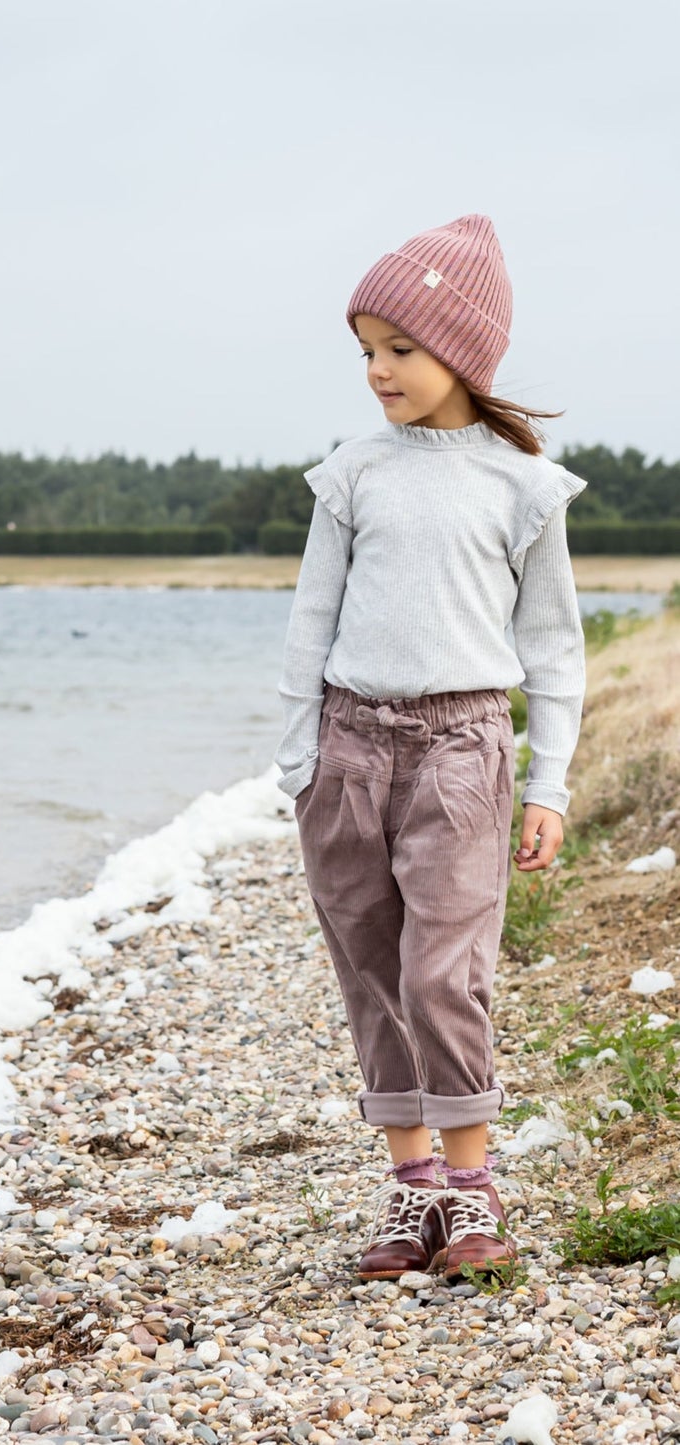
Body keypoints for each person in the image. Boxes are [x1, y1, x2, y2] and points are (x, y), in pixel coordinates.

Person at [273, 213, 587, 1283]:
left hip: (461, 749)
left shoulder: (519, 486)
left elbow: (552, 648)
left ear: (460, 350)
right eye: (365, 349)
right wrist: (299, 762)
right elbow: (308, 625)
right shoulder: (350, 474)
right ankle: (412, 1193)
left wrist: (546, 784)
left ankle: (470, 1185)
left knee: (441, 969)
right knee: (370, 964)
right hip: (347, 748)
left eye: (398, 347)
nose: (376, 370)